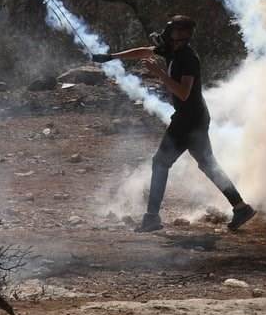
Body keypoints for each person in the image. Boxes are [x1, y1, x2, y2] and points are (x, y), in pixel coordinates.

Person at [92, 15, 256, 233]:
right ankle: (241, 207)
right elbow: (143, 51)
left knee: (161, 162)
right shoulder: (173, 50)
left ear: (183, 35)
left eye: (174, 31)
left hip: (189, 120)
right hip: (194, 117)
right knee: (207, 164)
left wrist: (158, 73)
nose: (168, 34)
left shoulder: (188, 58)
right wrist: (111, 56)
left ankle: (151, 218)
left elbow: (183, 92)